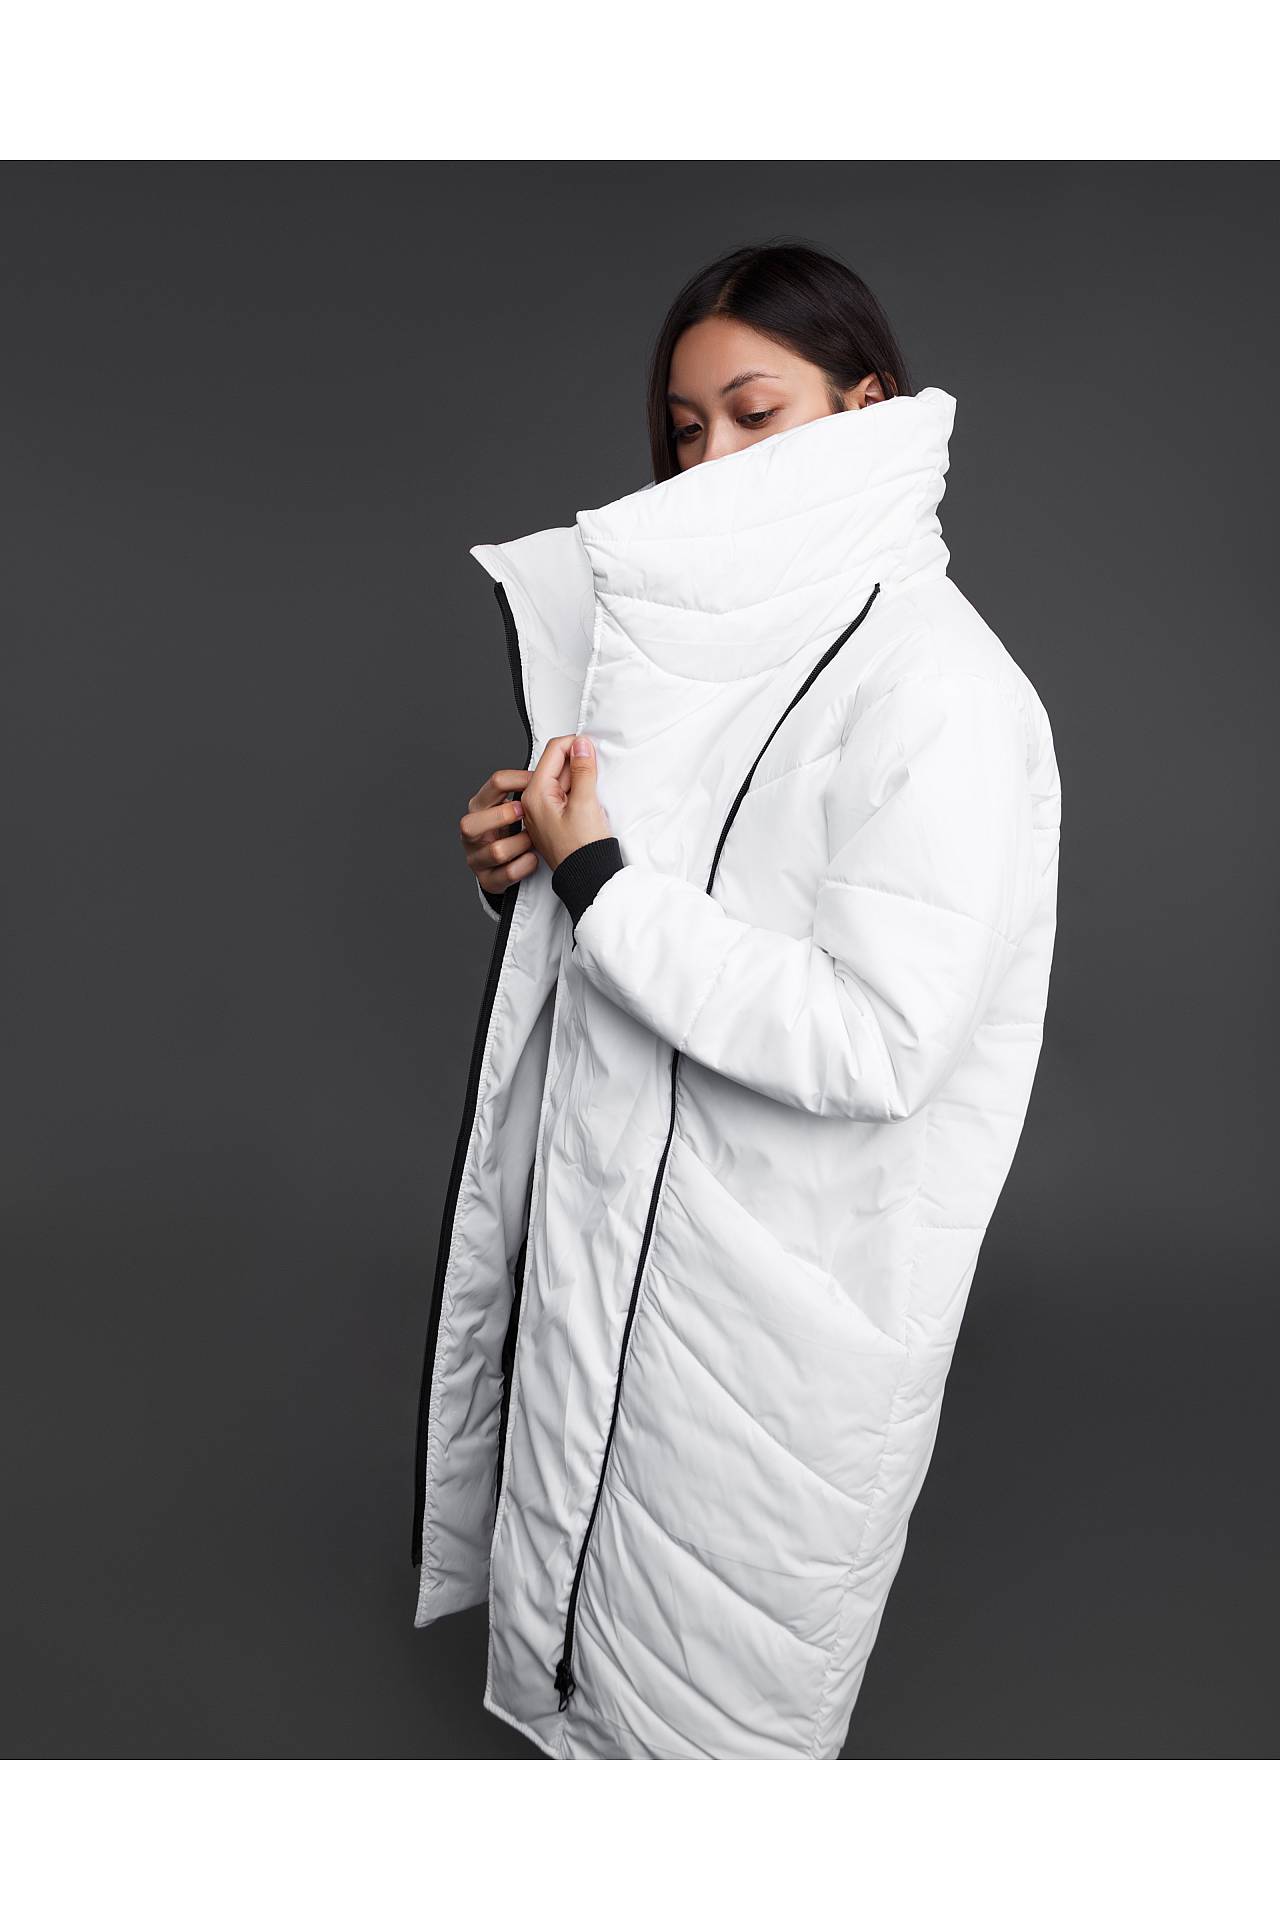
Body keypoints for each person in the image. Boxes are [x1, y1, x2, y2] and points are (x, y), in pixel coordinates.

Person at [415, 240, 1062, 1760]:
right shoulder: (691, 661)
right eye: (686, 428)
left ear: (865, 407)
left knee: (720, 1700)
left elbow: (876, 1035)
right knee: (597, 1669)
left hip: (781, 1289)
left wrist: (598, 883)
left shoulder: (943, 690)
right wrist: (533, 874)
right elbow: (643, 914)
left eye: (756, 414)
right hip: (624, 1241)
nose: (711, 459)